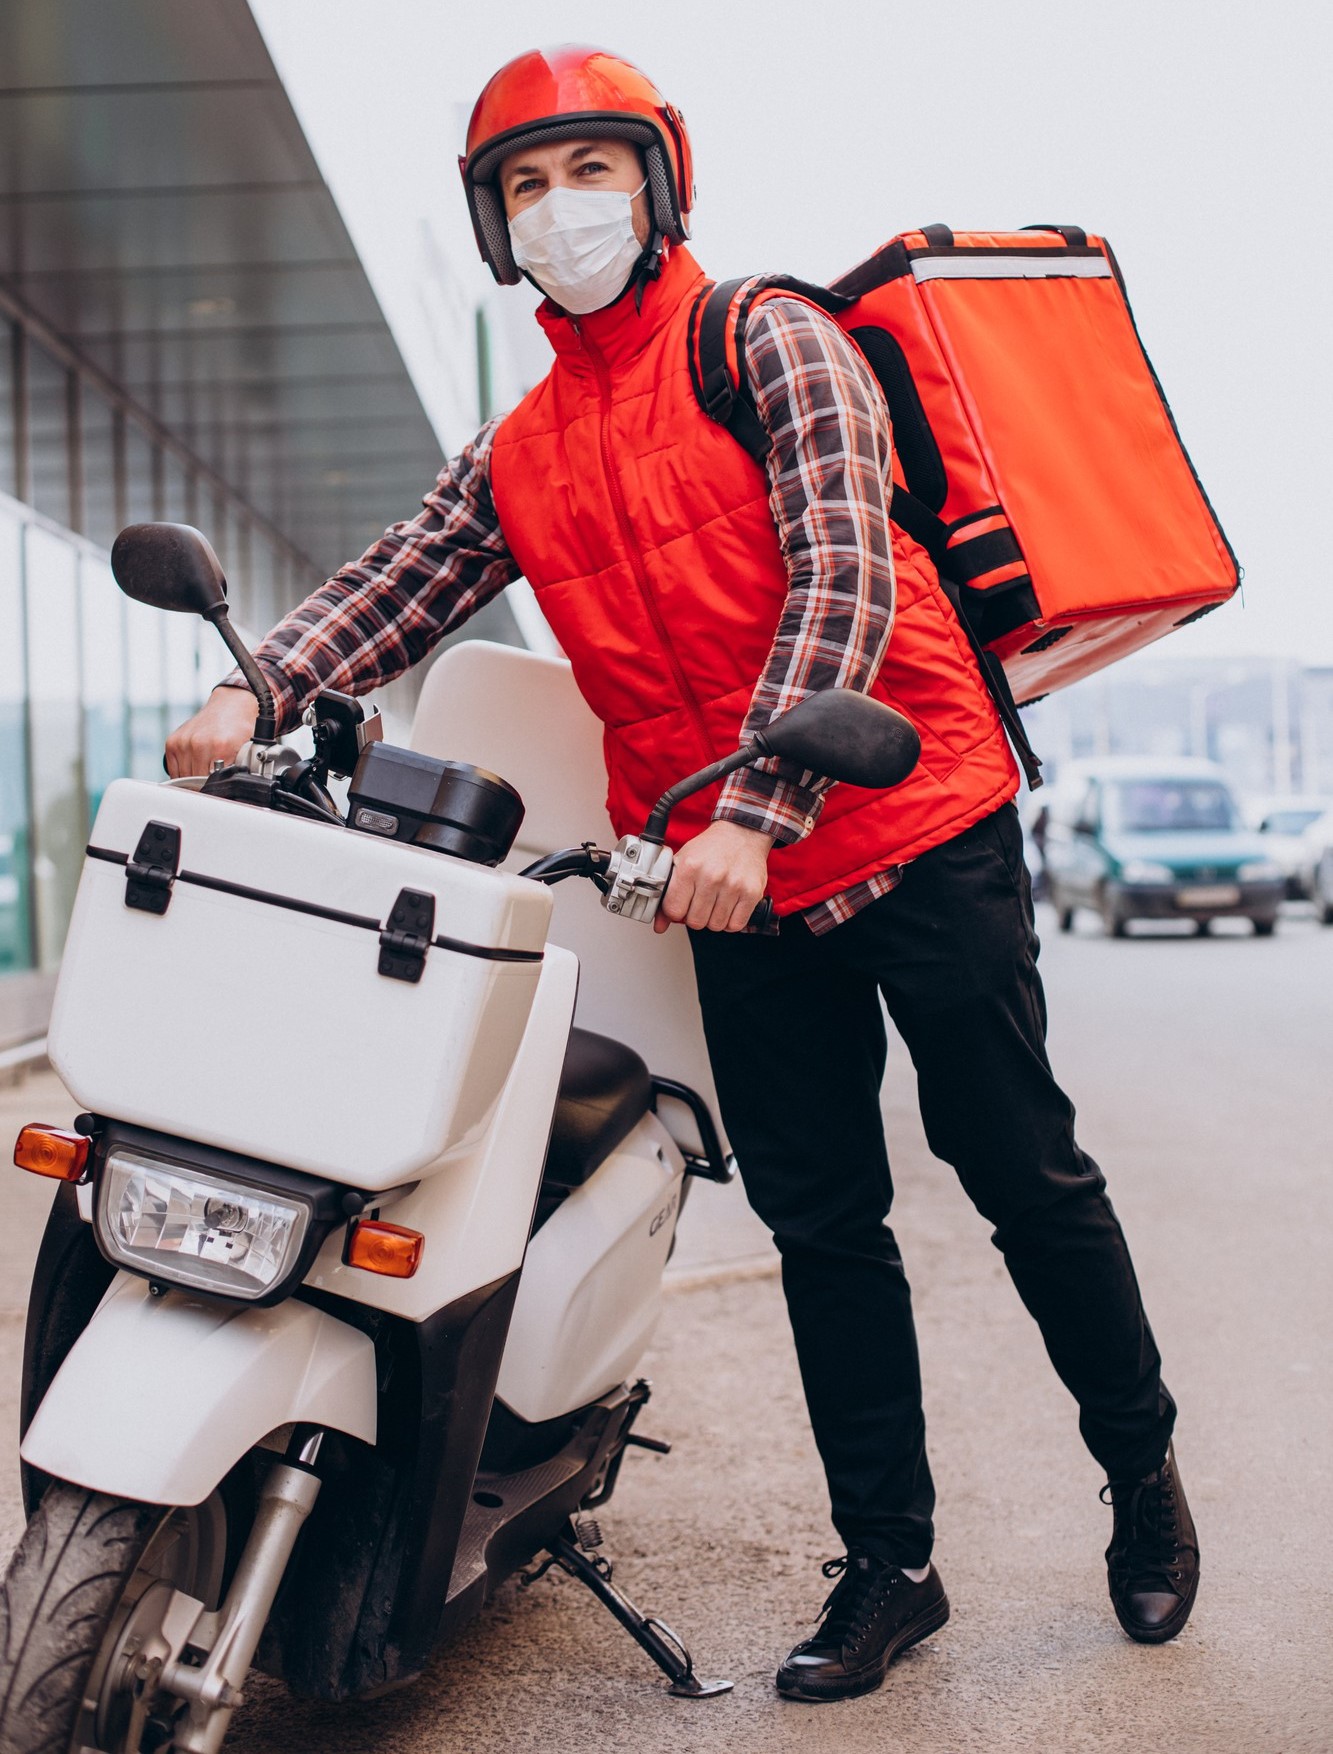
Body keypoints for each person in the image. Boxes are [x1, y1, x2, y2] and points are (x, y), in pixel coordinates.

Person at [167, 45, 1199, 1703]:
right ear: (494, 230)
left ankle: (1140, 1477)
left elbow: (841, 566)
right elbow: (408, 575)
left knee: (1019, 1168)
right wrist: (255, 685)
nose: (560, 208)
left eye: (590, 171)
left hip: (908, 808)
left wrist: (758, 803)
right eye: (523, 185)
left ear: (657, 185)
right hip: (729, 872)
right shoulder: (527, 445)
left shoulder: (764, 336)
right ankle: (890, 1564)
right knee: (820, 1220)